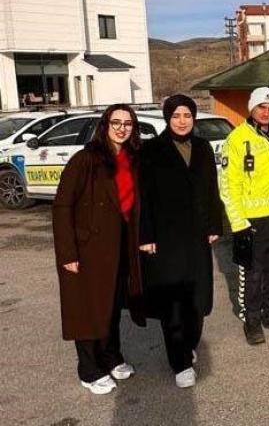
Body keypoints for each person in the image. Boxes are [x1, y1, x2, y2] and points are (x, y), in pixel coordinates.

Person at [53, 104, 146, 395]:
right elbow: (62, 206)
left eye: (128, 123)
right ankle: (90, 369)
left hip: (120, 246)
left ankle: (111, 356)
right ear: (105, 125)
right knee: (88, 311)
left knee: (111, 308)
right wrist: (68, 254)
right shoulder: (86, 159)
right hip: (88, 248)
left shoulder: (132, 158)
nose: (121, 128)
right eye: (116, 122)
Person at [139, 95, 224, 388]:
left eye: (187, 115)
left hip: (198, 236)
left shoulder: (202, 148)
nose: (182, 121)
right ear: (167, 118)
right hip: (166, 238)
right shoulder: (151, 150)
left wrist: (215, 223)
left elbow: (212, 188)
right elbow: (144, 197)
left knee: (198, 299)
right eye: (176, 115)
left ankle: (188, 344)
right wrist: (146, 234)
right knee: (173, 302)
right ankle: (180, 361)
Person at [220, 87, 269, 346]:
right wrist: (239, 223)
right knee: (252, 274)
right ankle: (251, 319)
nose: (266, 112)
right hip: (252, 221)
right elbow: (228, 186)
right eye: (261, 107)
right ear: (250, 108)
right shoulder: (237, 139)